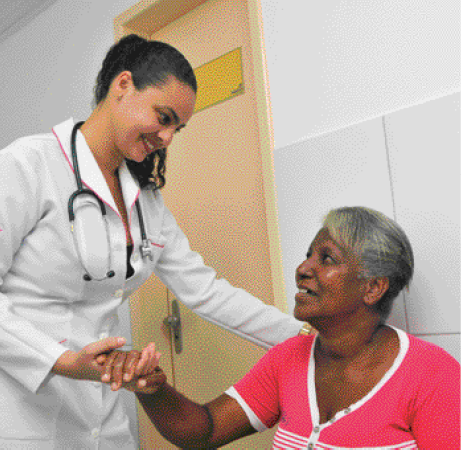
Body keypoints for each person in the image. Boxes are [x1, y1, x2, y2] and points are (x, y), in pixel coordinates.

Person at [0, 34, 305, 449]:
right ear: (122, 86)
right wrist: (66, 362)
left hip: (100, 411)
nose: (167, 138)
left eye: (177, 127)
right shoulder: (27, 166)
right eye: (163, 118)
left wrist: (310, 338)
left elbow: (207, 291)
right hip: (21, 406)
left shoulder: (146, 201)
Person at [121, 207, 460, 449]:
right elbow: (204, 431)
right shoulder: (289, 359)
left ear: (373, 287)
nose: (302, 269)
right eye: (308, 255)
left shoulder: (431, 375)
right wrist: (152, 388)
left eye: (326, 259)